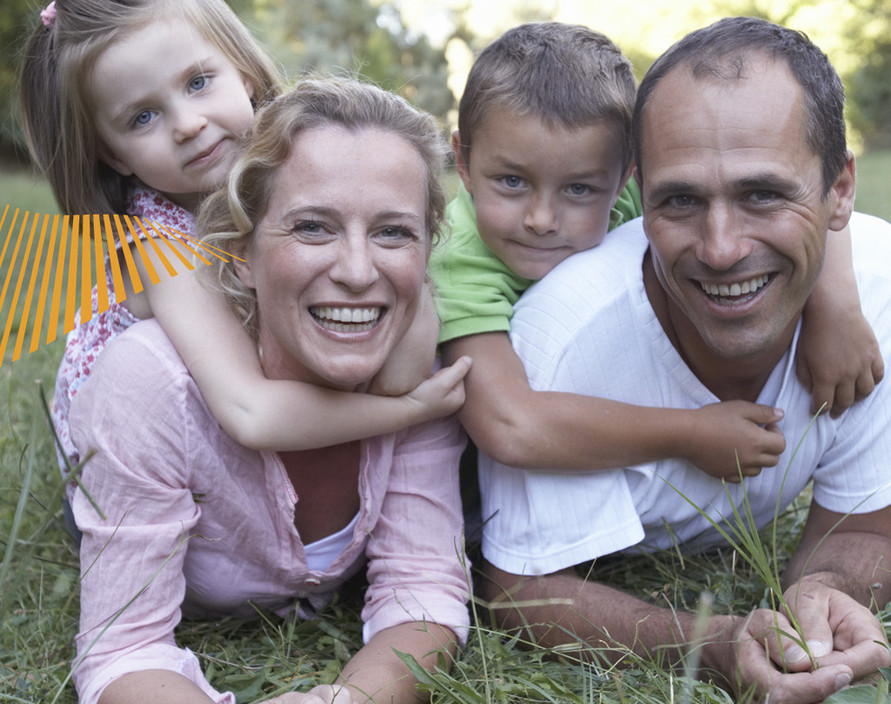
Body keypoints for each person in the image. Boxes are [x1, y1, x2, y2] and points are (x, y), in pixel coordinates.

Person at [479, 16, 891, 703]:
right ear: (639, 196)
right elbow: (520, 589)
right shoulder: (560, 340)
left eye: (762, 194)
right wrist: (717, 645)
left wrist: (821, 594)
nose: (721, 246)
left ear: (839, 189)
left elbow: (868, 523)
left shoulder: (873, 300)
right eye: (680, 200)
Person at [68, 77, 470, 704]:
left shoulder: (425, 376)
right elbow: (121, 646)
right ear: (242, 254)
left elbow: (424, 587)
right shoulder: (149, 385)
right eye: (312, 227)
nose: (359, 272)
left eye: (394, 232)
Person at [18, 0, 469, 510]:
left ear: (246, 73)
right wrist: (409, 410)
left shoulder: (287, 180)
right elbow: (250, 413)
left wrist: (411, 312)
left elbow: (402, 366)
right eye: (143, 117)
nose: (188, 124)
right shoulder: (155, 246)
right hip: (132, 488)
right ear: (114, 154)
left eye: (197, 82)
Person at [431, 21, 882, 482]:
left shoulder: (621, 192)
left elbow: (813, 192)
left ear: (626, 178)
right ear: (463, 164)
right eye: (512, 181)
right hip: (468, 490)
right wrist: (690, 433)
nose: (542, 219)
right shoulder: (457, 261)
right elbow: (510, 426)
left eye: (579, 188)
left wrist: (836, 309)